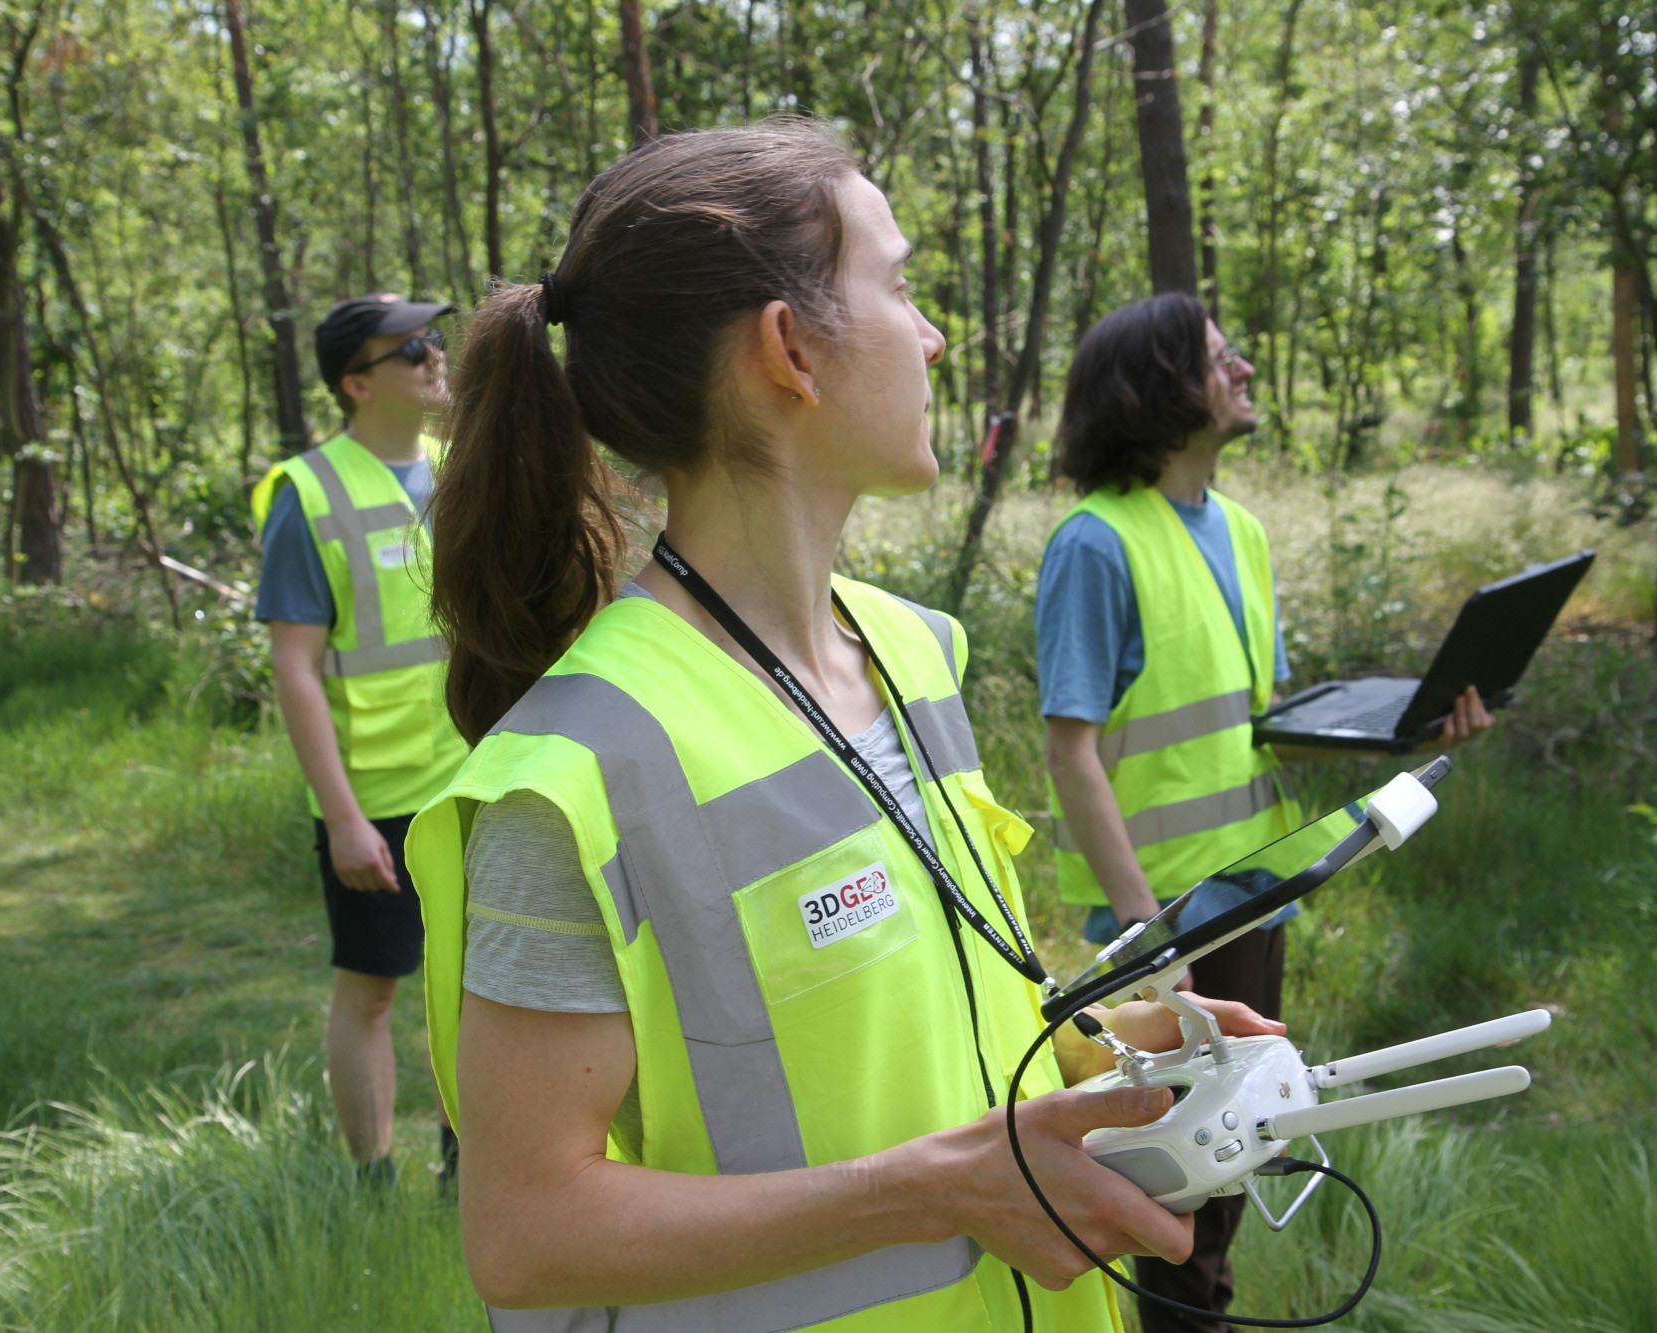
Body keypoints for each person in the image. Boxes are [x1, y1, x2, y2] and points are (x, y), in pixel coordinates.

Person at [403, 121, 1284, 1332]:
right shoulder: (574, 776)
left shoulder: (911, 649)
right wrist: (934, 1186)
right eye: (901, 284)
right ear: (789, 352)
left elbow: (917, 1011)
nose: (932, 334)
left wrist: (1093, 1042)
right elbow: (522, 1232)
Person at [1036, 292, 1493, 1332]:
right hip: (1166, 927)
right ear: (1156, 390)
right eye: (1217, 357)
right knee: (1174, 1195)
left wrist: (1415, 727)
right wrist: (1148, 940)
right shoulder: (1093, 545)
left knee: (1238, 1156)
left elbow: (1258, 727)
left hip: (1259, 899)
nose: (1242, 369)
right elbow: (1070, 755)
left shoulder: (1238, 531)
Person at [251, 293, 471, 1185]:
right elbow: (296, 668)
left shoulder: (462, 470)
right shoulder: (306, 494)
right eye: (410, 348)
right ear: (355, 382)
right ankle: (373, 1179)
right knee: (374, 989)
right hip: (372, 798)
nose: (433, 358)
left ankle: (471, 1164)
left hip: (474, 779)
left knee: (476, 988)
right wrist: (342, 819)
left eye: (435, 342)